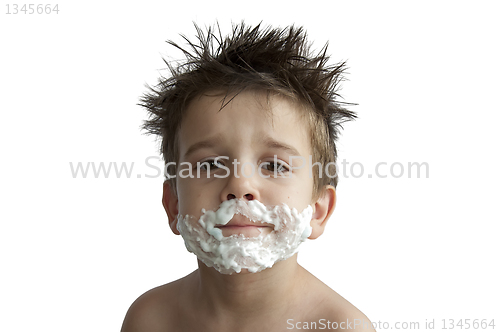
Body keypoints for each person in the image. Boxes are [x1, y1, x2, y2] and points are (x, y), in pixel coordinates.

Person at [121, 22, 376, 332]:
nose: (240, 184)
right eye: (210, 164)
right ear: (174, 205)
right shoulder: (152, 320)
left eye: (274, 165)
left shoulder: (340, 328)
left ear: (319, 210)